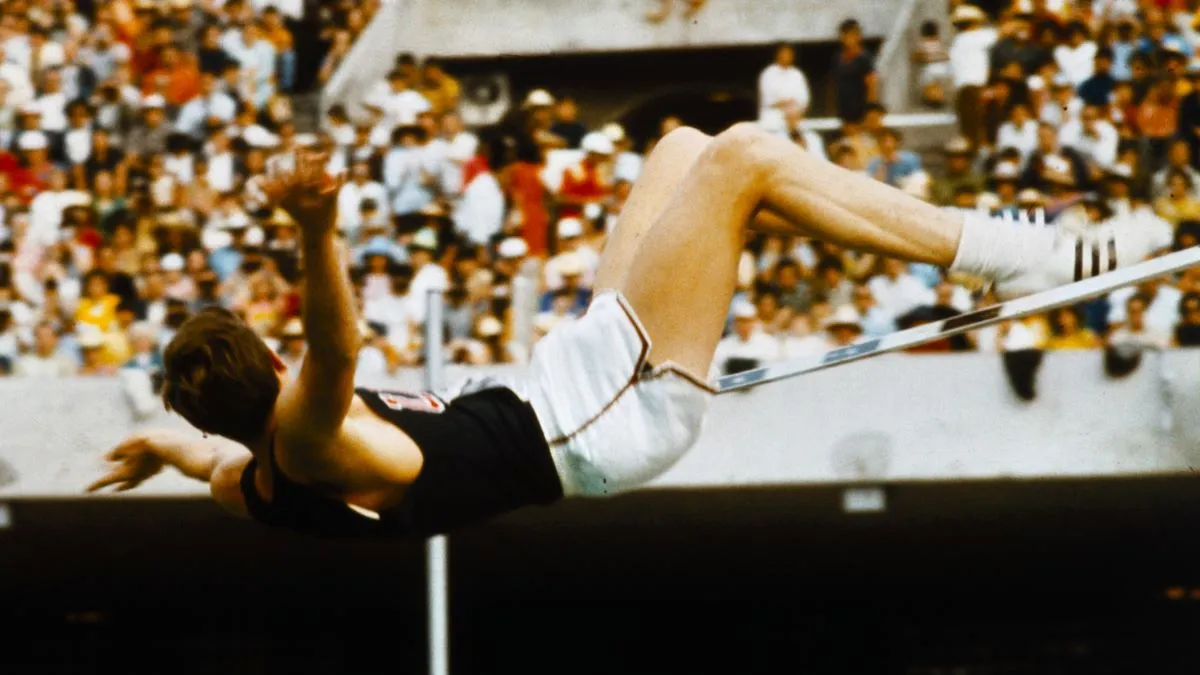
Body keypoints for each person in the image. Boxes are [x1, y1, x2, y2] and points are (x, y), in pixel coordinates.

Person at [89, 128, 1157, 537]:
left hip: (571, 382)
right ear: (271, 368)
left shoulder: (248, 477)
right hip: (598, 419)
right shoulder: (306, 436)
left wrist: (157, 446)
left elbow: (201, 458)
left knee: (680, 150)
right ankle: (1019, 251)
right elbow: (339, 345)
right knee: (740, 160)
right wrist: (317, 228)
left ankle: (945, 239)